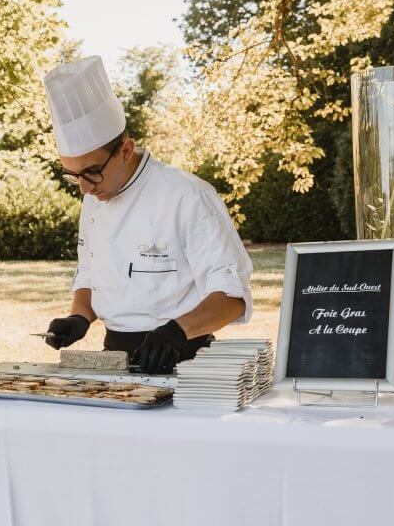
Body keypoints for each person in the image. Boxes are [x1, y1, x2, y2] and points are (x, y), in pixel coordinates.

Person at [42, 56, 253, 374]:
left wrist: (177, 332)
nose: (84, 188)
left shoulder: (188, 195)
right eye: (73, 175)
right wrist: (80, 316)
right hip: (113, 362)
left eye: (92, 172)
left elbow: (233, 295)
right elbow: (90, 270)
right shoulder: (95, 197)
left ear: (126, 150)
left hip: (186, 358)